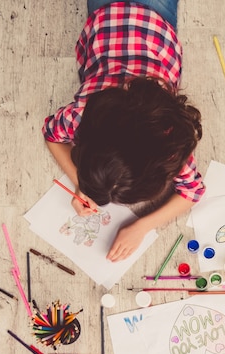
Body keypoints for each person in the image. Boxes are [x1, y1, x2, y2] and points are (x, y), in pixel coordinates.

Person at [43, 0, 204, 262]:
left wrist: (141, 226)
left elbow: (194, 192)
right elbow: (51, 135)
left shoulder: (167, 140)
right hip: (127, 18)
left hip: (139, 18)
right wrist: (83, 184)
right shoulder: (81, 113)